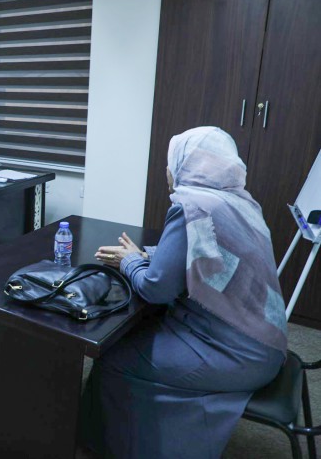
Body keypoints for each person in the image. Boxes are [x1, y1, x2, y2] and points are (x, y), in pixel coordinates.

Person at [81, 126, 287, 458]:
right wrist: (150, 256)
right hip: (267, 343)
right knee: (143, 333)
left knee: (112, 359)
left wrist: (131, 261)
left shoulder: (192, 205)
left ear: (186, 164)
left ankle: (105, 446)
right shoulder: (241, 202)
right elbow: (212, 258)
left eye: (171, 160)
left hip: (236, 355)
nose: (167, 169)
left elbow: (156, 289)